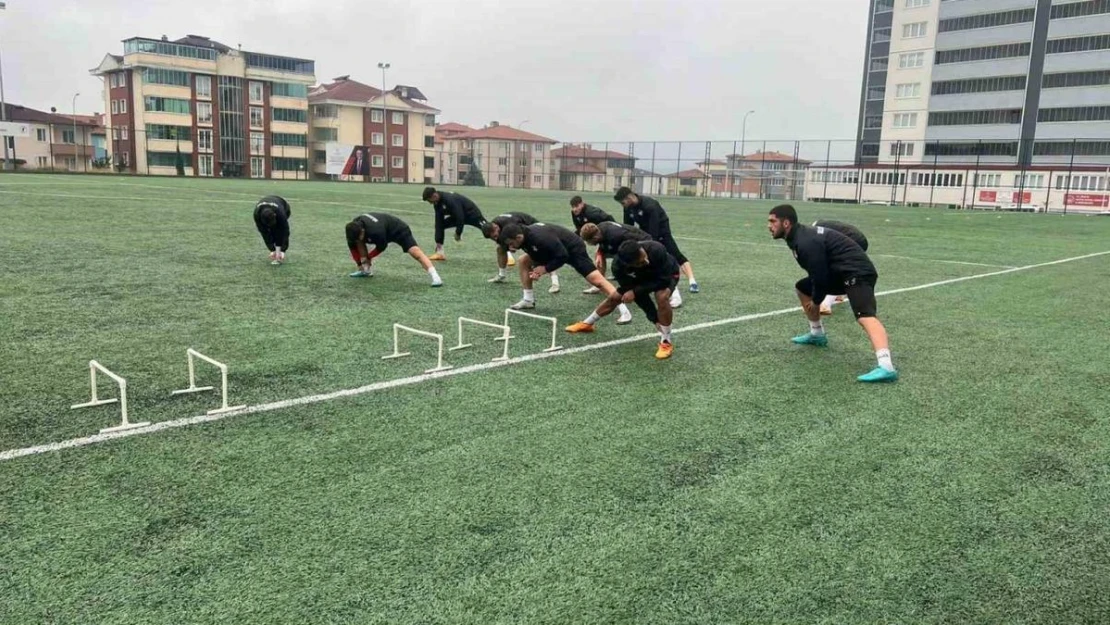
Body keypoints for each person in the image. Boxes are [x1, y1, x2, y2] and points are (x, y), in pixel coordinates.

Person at [768, 205, 897, 383]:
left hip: (857, 272)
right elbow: (817, 276)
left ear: (786, 222)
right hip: (840, 272)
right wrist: (815, 296)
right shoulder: (797, 237)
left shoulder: (805, 241)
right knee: (802, 288)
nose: (769, 226)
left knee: (864, 316)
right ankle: (817, 334)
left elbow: (819, 277)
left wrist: (817, 301)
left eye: (773, 221)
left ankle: (886, 366)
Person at [567, 240, 679, 360]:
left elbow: (663, 280)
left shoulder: (656, 250)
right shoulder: (618, 268)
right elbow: (641, 298)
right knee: (615, 297)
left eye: (645, 257)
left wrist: (634, 291)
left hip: (666, 275)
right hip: (641, 278)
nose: (646, 261)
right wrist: (654, 319)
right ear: (629, 265)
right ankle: (587, 324)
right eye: (640, 262)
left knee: (662, 296)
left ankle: (666, 341)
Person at [498, 222, 631, 323]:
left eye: (511, 243)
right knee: (523, 261)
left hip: (573, 249)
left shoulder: (539, 238)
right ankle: (528, 299)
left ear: (519, 237)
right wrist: (538, 269)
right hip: (556, 249)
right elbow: (540, 254)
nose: (511, 247)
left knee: (596, 281)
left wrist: (545, 269)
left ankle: (624, 309)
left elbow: (562, 256)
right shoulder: (524, 236)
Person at [614, 187, 699, 293]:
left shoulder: (650, 205)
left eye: (623, 202)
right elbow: (628, 227)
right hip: (645, 231)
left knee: (675, 254)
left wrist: (651, 245)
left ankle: (692, 281)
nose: (623, 205)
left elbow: (654, 229)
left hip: (662, 230)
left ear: (629, 197)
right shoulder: (628, 208)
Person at [579, 222, 682, 308]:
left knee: (657, 271)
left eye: (589, 241)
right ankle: (599, 284)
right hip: (626, 245)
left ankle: (673, 291)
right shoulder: (600, 229)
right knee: (600, 258)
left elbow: (632, 244)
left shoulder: (617, 235)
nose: (588, 244)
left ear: (596, 236)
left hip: (642, 242)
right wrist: (600, 253)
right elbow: (604, 244)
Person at [345, 213, 443, 287]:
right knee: (359, 242)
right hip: (383, 228)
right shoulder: (353, 228)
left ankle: (435, 276)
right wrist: (359, 264)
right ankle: (365, 271)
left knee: (415, 252)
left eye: (359, 236)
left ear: (362, 231)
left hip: (398, 230)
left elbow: (382, 246)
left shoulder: (375, 230)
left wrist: (369, 257)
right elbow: (353, 247)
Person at [481, 214, 560, 293]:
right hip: (521, 232)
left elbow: (520, 237)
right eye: (492, 238)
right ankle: (501, 275)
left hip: (533, 229)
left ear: (496, 227)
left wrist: (513, 247)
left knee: (542, 255)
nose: (495, 239)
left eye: (495, 236)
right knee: (500, 248)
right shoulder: (496, 226)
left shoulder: (510, 225)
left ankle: (555, 282)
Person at [812, 220, 870, 316]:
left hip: (852, 239)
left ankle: (825, 304)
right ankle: (840, 294)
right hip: (860, 239)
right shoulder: (819, 225)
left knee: (834, 271)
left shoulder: (814, 232)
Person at [422, 186, 488, 261]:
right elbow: (438, 220)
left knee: (488, 229)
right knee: (439, 225)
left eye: (429, 200)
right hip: (458, 216)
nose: (430, 203)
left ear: (434, 195)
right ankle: (439, 253)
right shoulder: (437, 203)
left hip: (472, 214)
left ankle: (504, 251)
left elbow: (460, 217)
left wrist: (458, 233)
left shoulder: (449, 199)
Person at [254, 195, 291, 265]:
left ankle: (279, 253)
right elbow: (264, 232)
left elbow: (285, 230)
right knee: (271, 231)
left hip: (284, 206)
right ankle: (276, 252)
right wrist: (271, 249)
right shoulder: (257, 215)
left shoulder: (280, 213)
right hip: (269, 208)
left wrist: (283, 250)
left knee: (278, 231)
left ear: (274, 215)